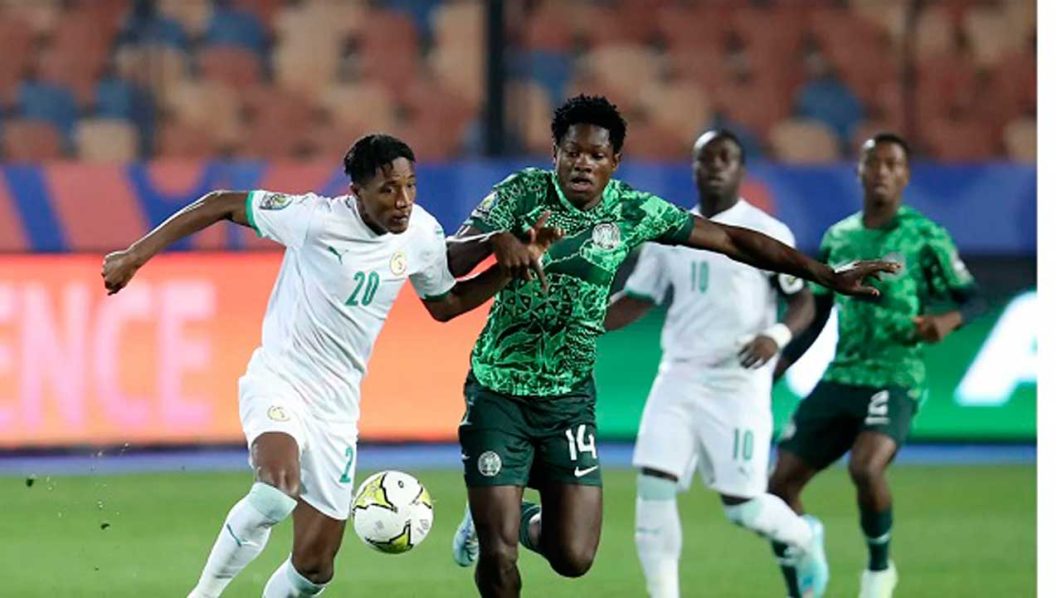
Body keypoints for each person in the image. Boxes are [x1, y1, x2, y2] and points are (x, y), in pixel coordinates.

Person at [445, 95, 897, 598]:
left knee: (573, 556)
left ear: (614, 162)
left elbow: (733, 241)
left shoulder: (634, 211)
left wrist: (824, 273)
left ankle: (503, 512)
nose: (582, 164)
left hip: (567, 399)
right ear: (555, 153)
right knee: (499, 554)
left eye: (596, 155)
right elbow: (450, 259)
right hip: (499, 389)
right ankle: (494, 518)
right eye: (572, 152)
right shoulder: (521, 192)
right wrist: (495, 240)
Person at [101, 134, 559, 598]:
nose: (402, 200)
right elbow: (221, 202)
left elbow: (447, 304)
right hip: (280, 381)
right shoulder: (314, 219)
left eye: (410, 186)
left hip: (336, 409)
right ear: (356, 192)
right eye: (387, 189)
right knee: (275, 493)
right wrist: (134, 257)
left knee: (314, 569)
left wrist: (511, 266)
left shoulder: (421, 233)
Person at [603, 129, 826, 598]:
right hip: (679, 375)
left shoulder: (767, 233)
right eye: (707, 158)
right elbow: (638, 299)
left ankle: (805, 538)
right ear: (695, 168)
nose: (716, 166)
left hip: (738, 381)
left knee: (743, 507)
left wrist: (775, 336)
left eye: (727, 158)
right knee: (654, 487)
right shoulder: (669, 233)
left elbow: (803, 302)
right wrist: (580, 320)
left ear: (741, 170)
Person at [768, 133, 985, 598]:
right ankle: (807, 554)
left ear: (905, 175)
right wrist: (781, 361)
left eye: (893, 164)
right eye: (874, 163)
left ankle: (879, 571)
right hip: (842, 375)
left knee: (866, 468)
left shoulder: (925, 236)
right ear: (859, 172)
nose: (882, 171)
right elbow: (817, 313)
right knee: (778, 486)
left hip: (897, 374)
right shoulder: (839, 237)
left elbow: (973, 298)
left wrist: (945, 321)